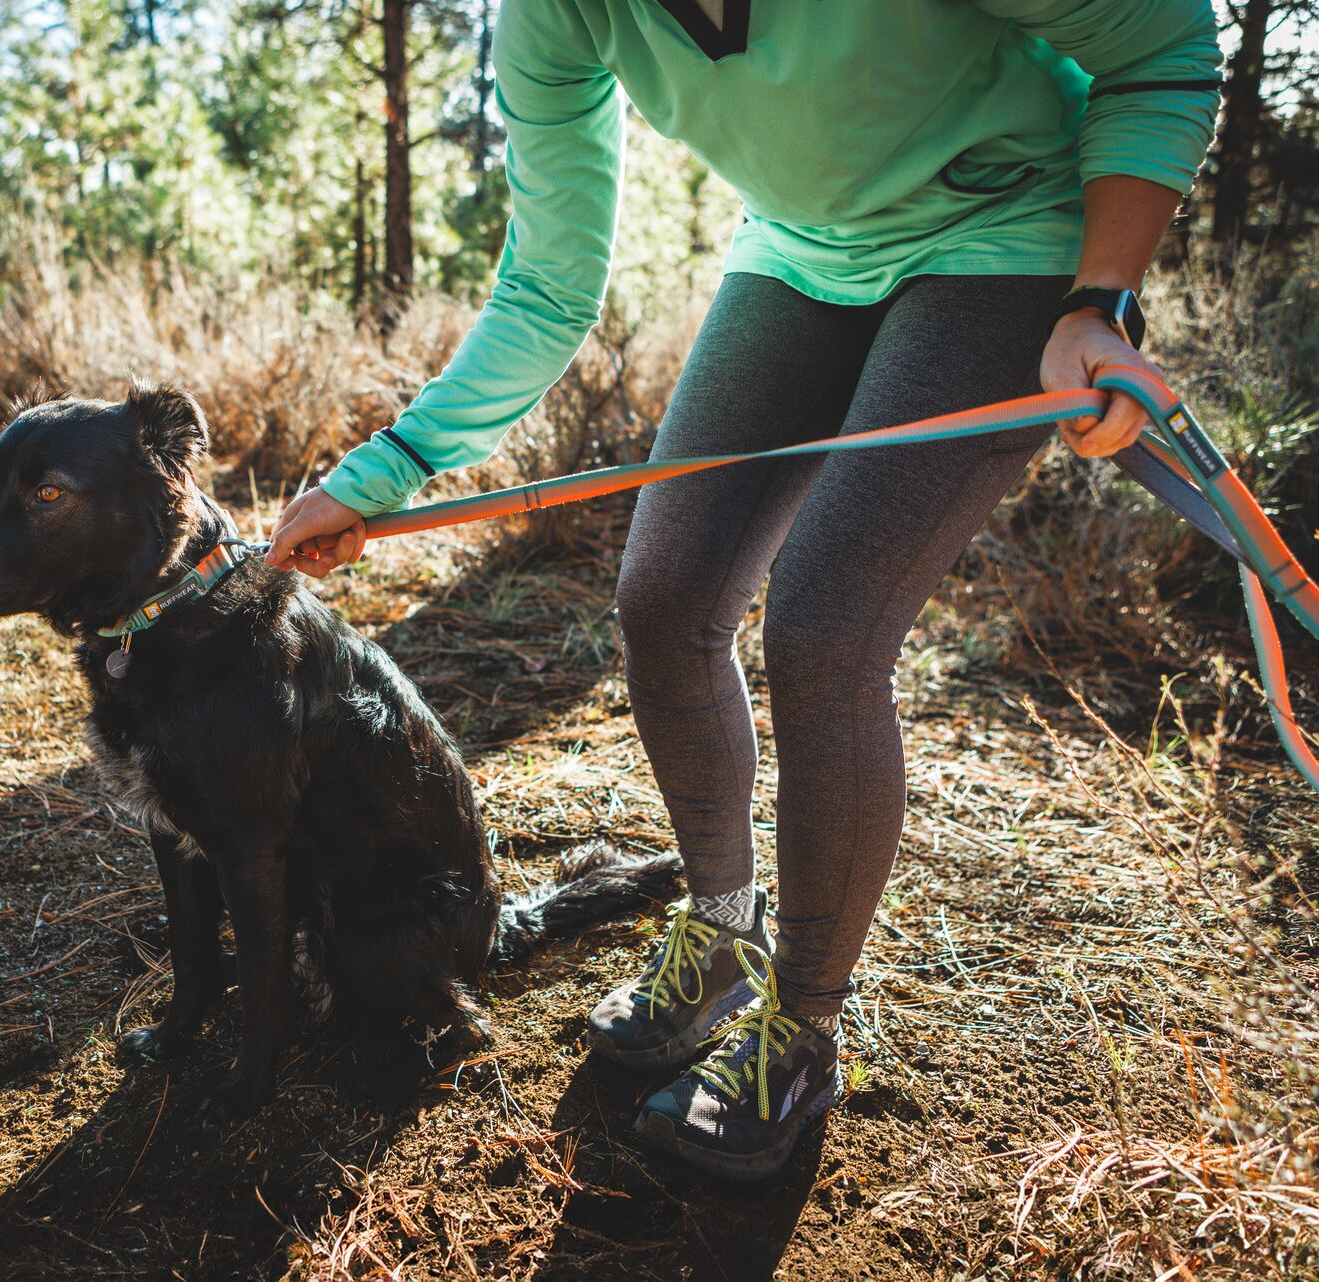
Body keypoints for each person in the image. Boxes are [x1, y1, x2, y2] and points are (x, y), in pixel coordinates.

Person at [266, 0, 1221, 1180]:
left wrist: (1100, 298)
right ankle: (720, 935)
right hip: (805, 250)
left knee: (822, 627)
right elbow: (551, 285)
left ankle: (803, 1028)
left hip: (1004, 233)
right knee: (665, 598)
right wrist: (390, 467)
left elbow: (1164, 45)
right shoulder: (556, 17)